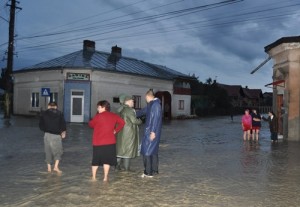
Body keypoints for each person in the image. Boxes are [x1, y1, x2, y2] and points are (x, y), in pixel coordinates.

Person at [89, 100, 125, 181]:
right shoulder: (114, 115)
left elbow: (91, 124)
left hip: (98, 143)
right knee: (107, 161)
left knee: (95, 161)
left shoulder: (98, 116)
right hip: (110, 142)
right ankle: (105, 177)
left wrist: (97, 115)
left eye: (98, 107)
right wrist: (116, 130)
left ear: (103, 107)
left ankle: (94, 178)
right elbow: (122, 122)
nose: (97, 109)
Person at [136, 89, 162, 178]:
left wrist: (153, 132)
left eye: (145, 98)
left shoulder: (155, 105)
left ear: (147, 96)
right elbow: (142, 111)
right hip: (151, 131)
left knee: (146, 151)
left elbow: (155, 118)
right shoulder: (152, 105)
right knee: (153, 151)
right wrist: (132, 113)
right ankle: (154, 170)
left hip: (151, 131)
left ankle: (148, 172)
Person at [116, 95, 142, 171]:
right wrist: (140, 121)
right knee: (128, 150)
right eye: (132, 101)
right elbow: (134, 121)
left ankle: (117, 167)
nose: (133, 102)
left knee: (120, 149)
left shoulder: (120, 109)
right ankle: (127, 168)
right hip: (128, 133)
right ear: (127, 101)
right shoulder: (129, 110)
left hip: (121, 132)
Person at [39, 102, 66, 174]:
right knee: (59, 152)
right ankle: (56, 167)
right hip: (56, 136)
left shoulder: (43, 113)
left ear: (48, 106)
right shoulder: (60, 113)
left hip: (47, 135)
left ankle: (49, 169)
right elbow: (63, 125)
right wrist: (63, 133)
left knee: (48, 151)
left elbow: (41, 126)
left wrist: (46, 129)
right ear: (56, 107)